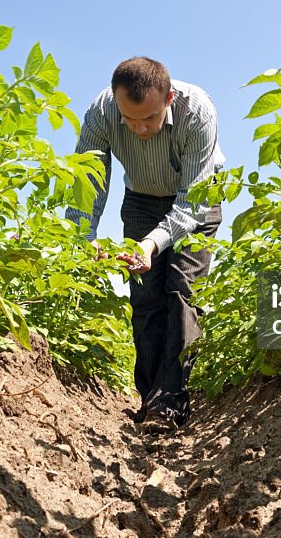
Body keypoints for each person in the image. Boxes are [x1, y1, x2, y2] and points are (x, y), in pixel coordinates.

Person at [65, 56, 225, 427]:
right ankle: (150, 398)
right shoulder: (102, 112)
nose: (138, 128)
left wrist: (151, 245)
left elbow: (191, 202)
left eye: (149, 119)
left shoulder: (196, 111)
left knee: (181, 290)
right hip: (140, 200)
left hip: (196, 200)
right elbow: (87, 179)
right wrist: (82, 239)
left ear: (168, 99)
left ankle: (171, 400)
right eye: (129, 119)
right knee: (145, 295)